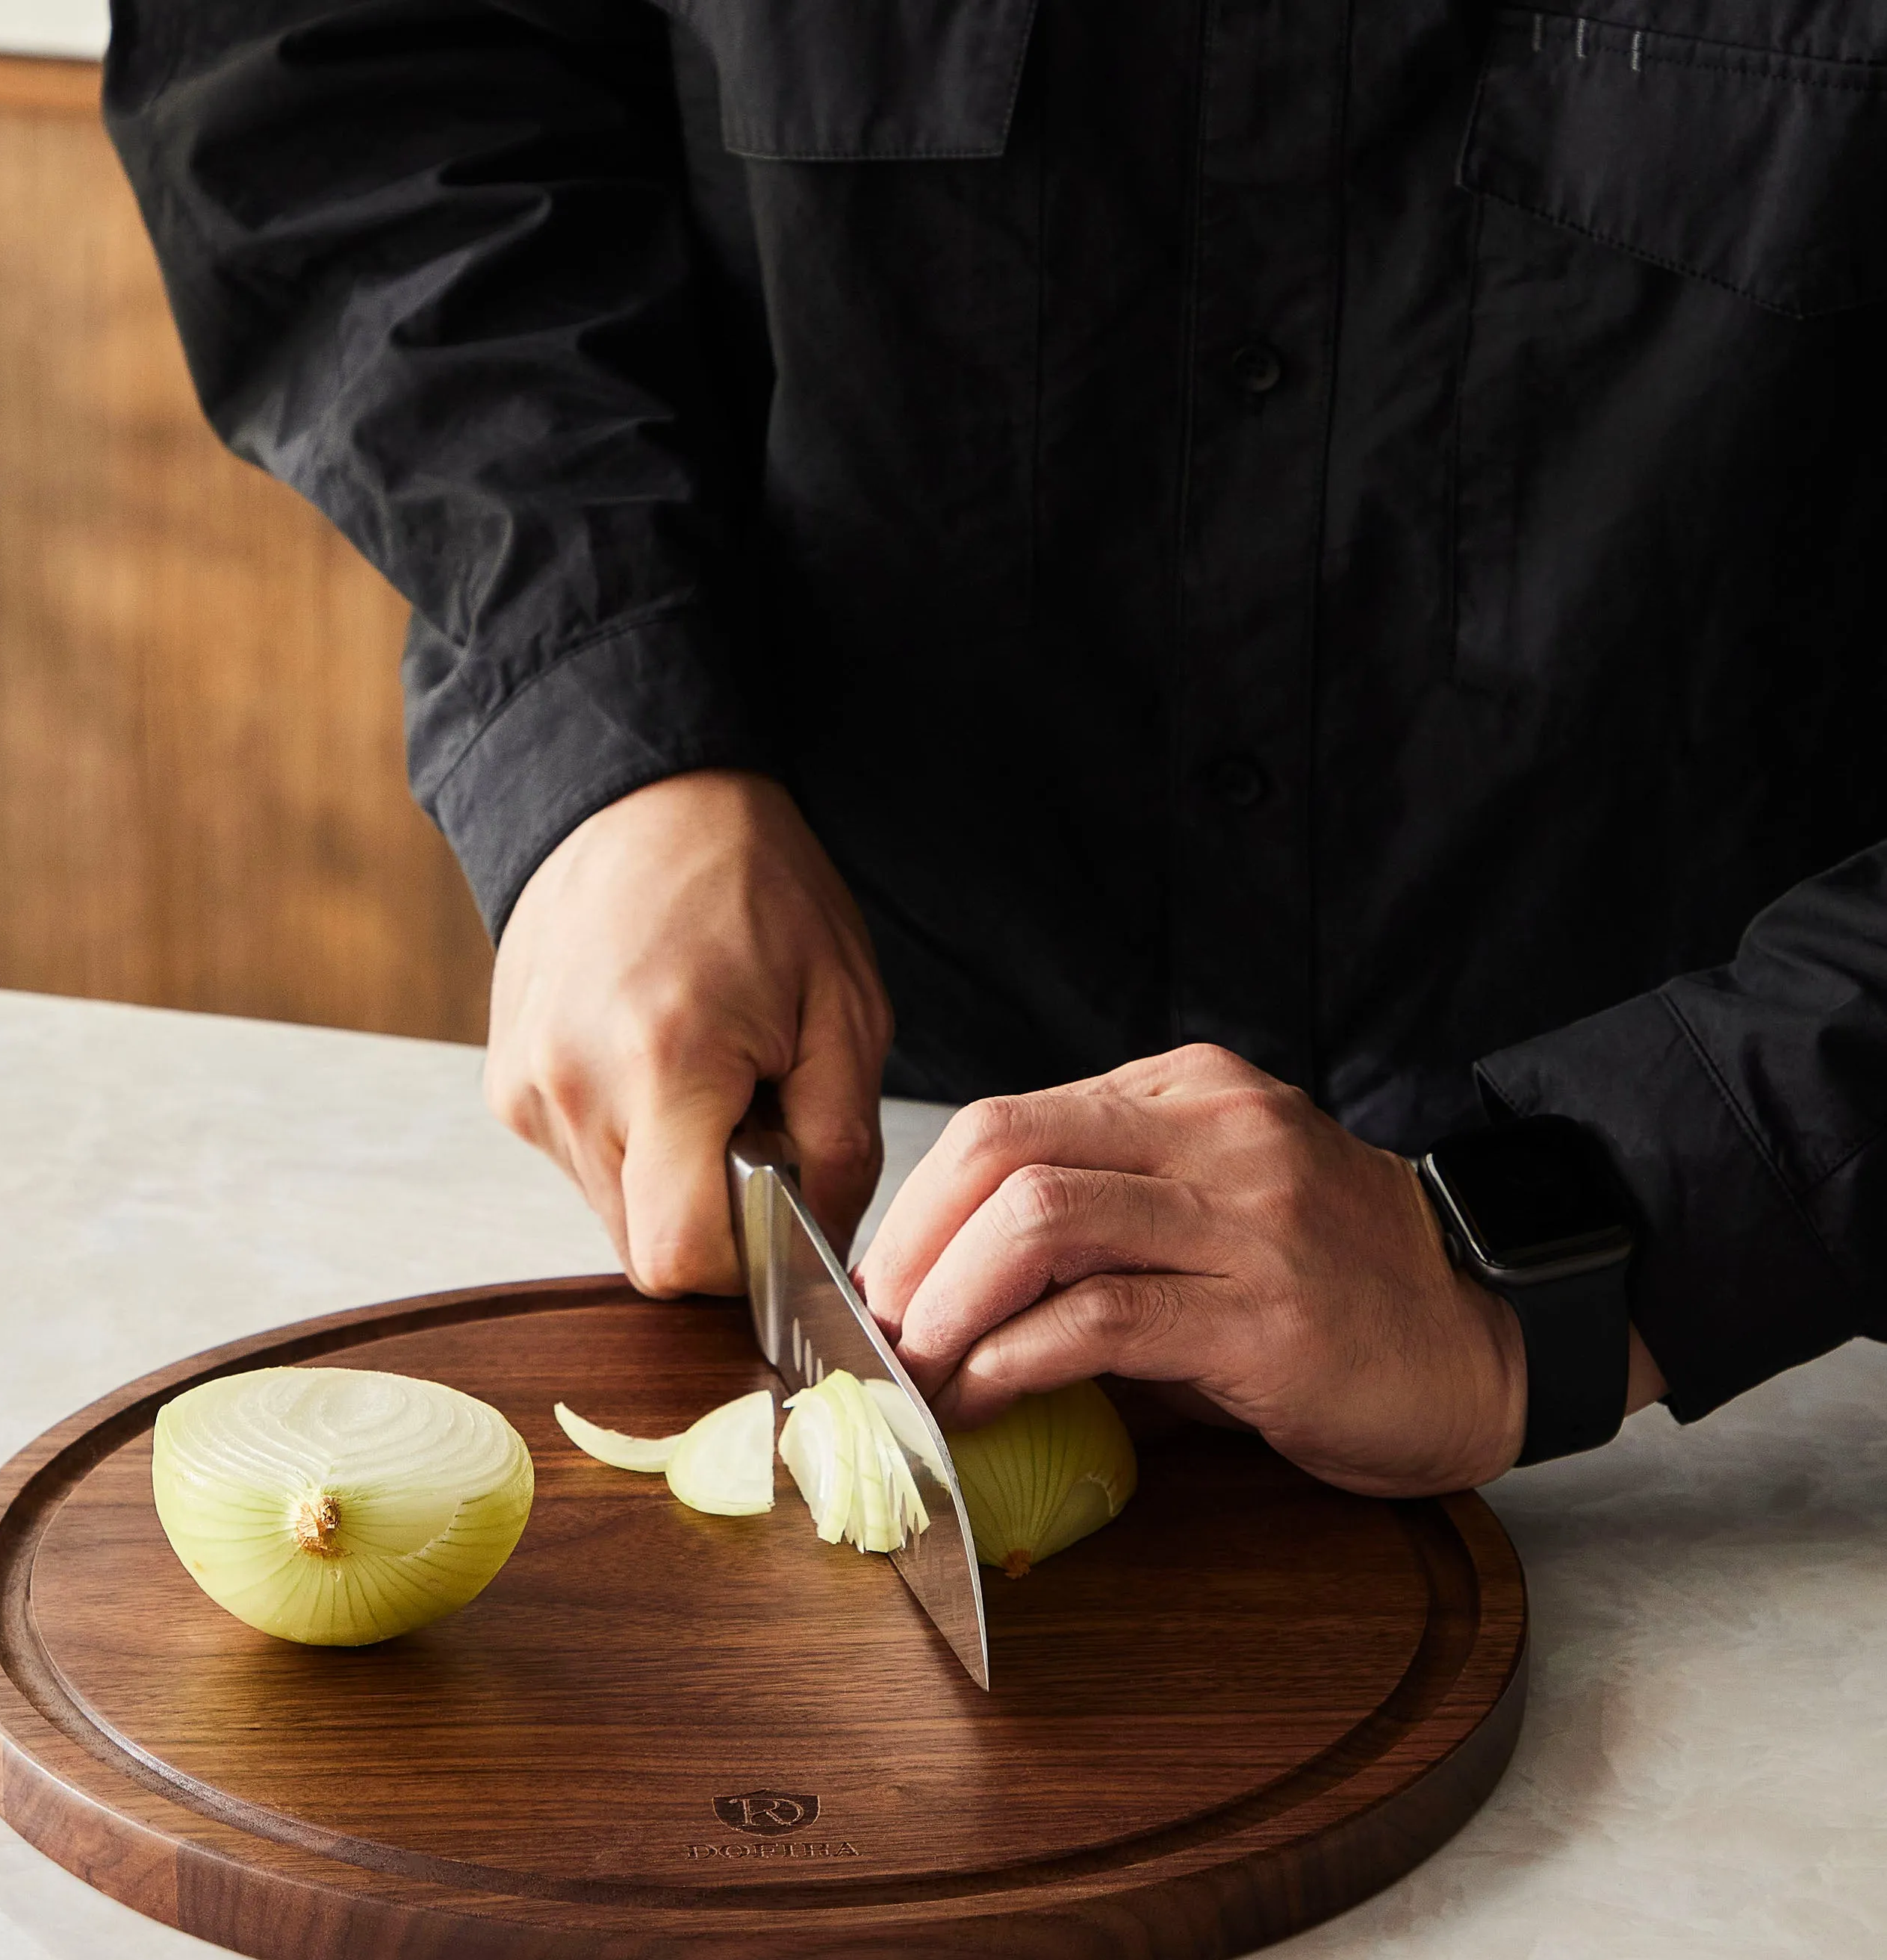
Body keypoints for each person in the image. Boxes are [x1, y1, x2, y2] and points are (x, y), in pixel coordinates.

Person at [107, 1, 1886, 1496]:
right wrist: (606, 724)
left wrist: (1564, 1242)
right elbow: (342, 63)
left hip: (1773, 1355)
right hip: (854, 1092)